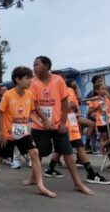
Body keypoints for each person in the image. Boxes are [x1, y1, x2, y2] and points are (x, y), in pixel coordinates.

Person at [0, 66, 56, 198]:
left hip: (23, 132)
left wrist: (41, 122)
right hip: (8, 133)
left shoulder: (30, 94)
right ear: (17, 79)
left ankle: (40, 185)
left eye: (31, 78)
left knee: (35, 153)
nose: (30, 81)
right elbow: (0, 114)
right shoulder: (8, 95)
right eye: (27, 78)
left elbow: (30, 114)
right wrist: (2, 132)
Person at [30, 56, 93, 195]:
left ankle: (78, 183)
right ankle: (34, 179)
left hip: (59, 125)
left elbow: (65, 102)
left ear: (46, 66)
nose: (34, 67)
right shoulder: (33, 82)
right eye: (33, 65)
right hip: (41, 126)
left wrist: (64, 122)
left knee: (68, 153)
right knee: (38, 153)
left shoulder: (58, 80)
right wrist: (44, 120)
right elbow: (33, 103)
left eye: (37, 64)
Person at [88, 83, 110, 168]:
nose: (105, 91)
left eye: (105, 89)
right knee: (108, 145)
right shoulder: (94, 99)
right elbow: (89, 112)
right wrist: (96, 108)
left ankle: (103, 143)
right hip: (101, 122)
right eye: (102, 89)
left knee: (107, 142)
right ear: (97, 90)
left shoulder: (109, 98)